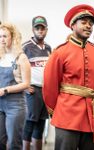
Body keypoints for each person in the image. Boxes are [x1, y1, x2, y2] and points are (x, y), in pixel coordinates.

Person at [43, 4, 94, 150]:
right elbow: (50, 86)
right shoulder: (60, 52)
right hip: (66, 116)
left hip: (91, 117)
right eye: (83, 22)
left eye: (90, 23)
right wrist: (56, 112)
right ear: (72, 25)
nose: (88, 26)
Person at [22, 16, 51, 150]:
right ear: (33, 29)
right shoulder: (26, 47)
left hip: (45, 91)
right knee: (30, 123)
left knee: (41, 123)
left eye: (42, 28)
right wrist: (25, 86)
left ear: (46, 29)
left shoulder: (49, 48)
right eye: (37, 28)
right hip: (32, 90)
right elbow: (16, 69)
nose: (40, 30)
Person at [0, 23, 30, 149]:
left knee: (14, 143)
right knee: (0, 141)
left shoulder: (21, 58)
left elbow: (26, 83)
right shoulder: (0, 56)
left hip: (15, 105)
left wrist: (6, 90)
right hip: (0, 104)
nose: (2, 39)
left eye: (5, 36)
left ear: (13, 37)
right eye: (0, 36)